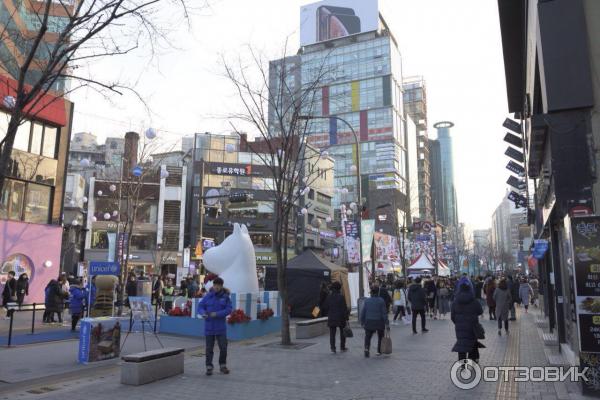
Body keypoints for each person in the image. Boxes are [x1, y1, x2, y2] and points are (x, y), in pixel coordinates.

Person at [197, 277, 233, 375]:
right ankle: (209, 367)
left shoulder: (225, 297)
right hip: (209, 327)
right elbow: (200, 306)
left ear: (221, 286)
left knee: (223, 347)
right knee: (209, 348)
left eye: (218, 285)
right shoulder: (208, 296)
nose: (216, 287)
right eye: (215, 285)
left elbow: (229, 309)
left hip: (220, 327)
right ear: (213, 285)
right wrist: (203, 313)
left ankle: (223, 366)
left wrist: (217, 314)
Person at [451, 282, 484, 363]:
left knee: (461, 343)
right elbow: (480, 311)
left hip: (460, 327)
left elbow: (452, 316)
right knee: (472, 342)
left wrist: (458, 323)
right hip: (472, 325)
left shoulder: (455, 301)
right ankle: (473, 360)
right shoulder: (474, 300)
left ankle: (462, 363)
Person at [360, 286, 389, 357]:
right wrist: (387, 323)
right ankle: (379, 351)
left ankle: (366, 349)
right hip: (379, 321)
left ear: (371, 292)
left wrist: (362, 321)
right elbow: (384, 313)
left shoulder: (367, 301)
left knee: (368, 336)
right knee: (380, 336)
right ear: (378, 292)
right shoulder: (381, 300)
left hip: (369, 321)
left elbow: (363, 312)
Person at [322, 281, 349, 353]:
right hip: (341, 317)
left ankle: (333, 348)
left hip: (332, 317)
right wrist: (347, 318)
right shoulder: (341, 297)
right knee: (342, 333)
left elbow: (325, 307)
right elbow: (344, 309)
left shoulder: (329, 296)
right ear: (339, 288)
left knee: (332, 333)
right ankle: (342, 347)